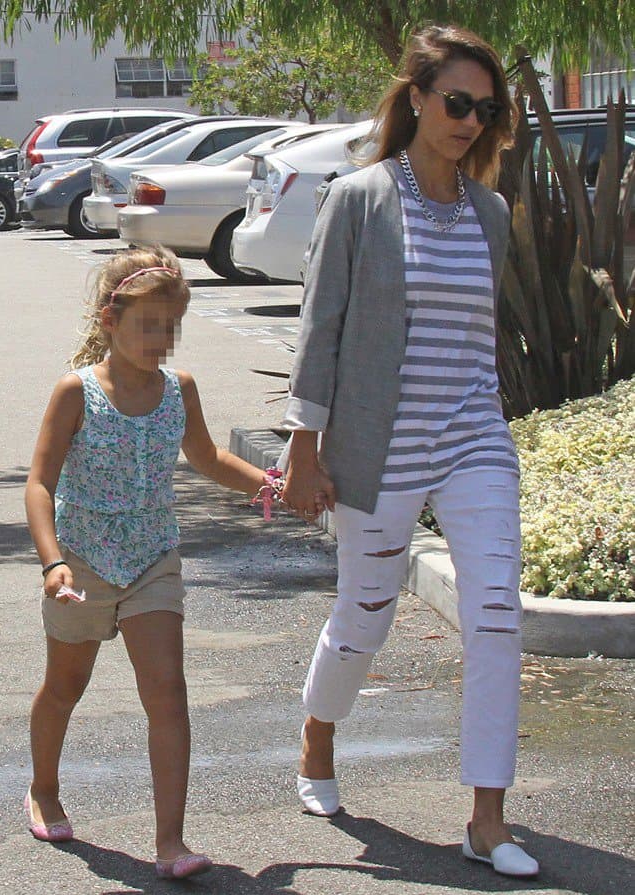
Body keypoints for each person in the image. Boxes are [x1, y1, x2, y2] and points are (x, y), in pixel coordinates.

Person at [282, 24, 539, 879]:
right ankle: (319, 735)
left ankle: (487, 819)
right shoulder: (358, 198)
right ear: (419, 99)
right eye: (456, 102)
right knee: (366, 617)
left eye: (485, 108)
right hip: (380, 441)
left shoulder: (490, 212)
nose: (469, 120)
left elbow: (478, 336)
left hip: (472, 437)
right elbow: (321, 328)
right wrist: (304, 446)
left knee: (497, 617)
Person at [24, 247, 273, 880]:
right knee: (65, 688)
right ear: (110, 319)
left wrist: (268, 485)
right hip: (81, 564)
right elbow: (39, 484)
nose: (160, 341)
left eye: (170, 328)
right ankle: (44, 788)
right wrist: (53, 563)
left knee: (167, 692)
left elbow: (209, 458)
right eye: (147, 326)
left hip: (152, 560)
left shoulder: (178, 390)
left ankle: (170, 841)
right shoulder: (75, 392)